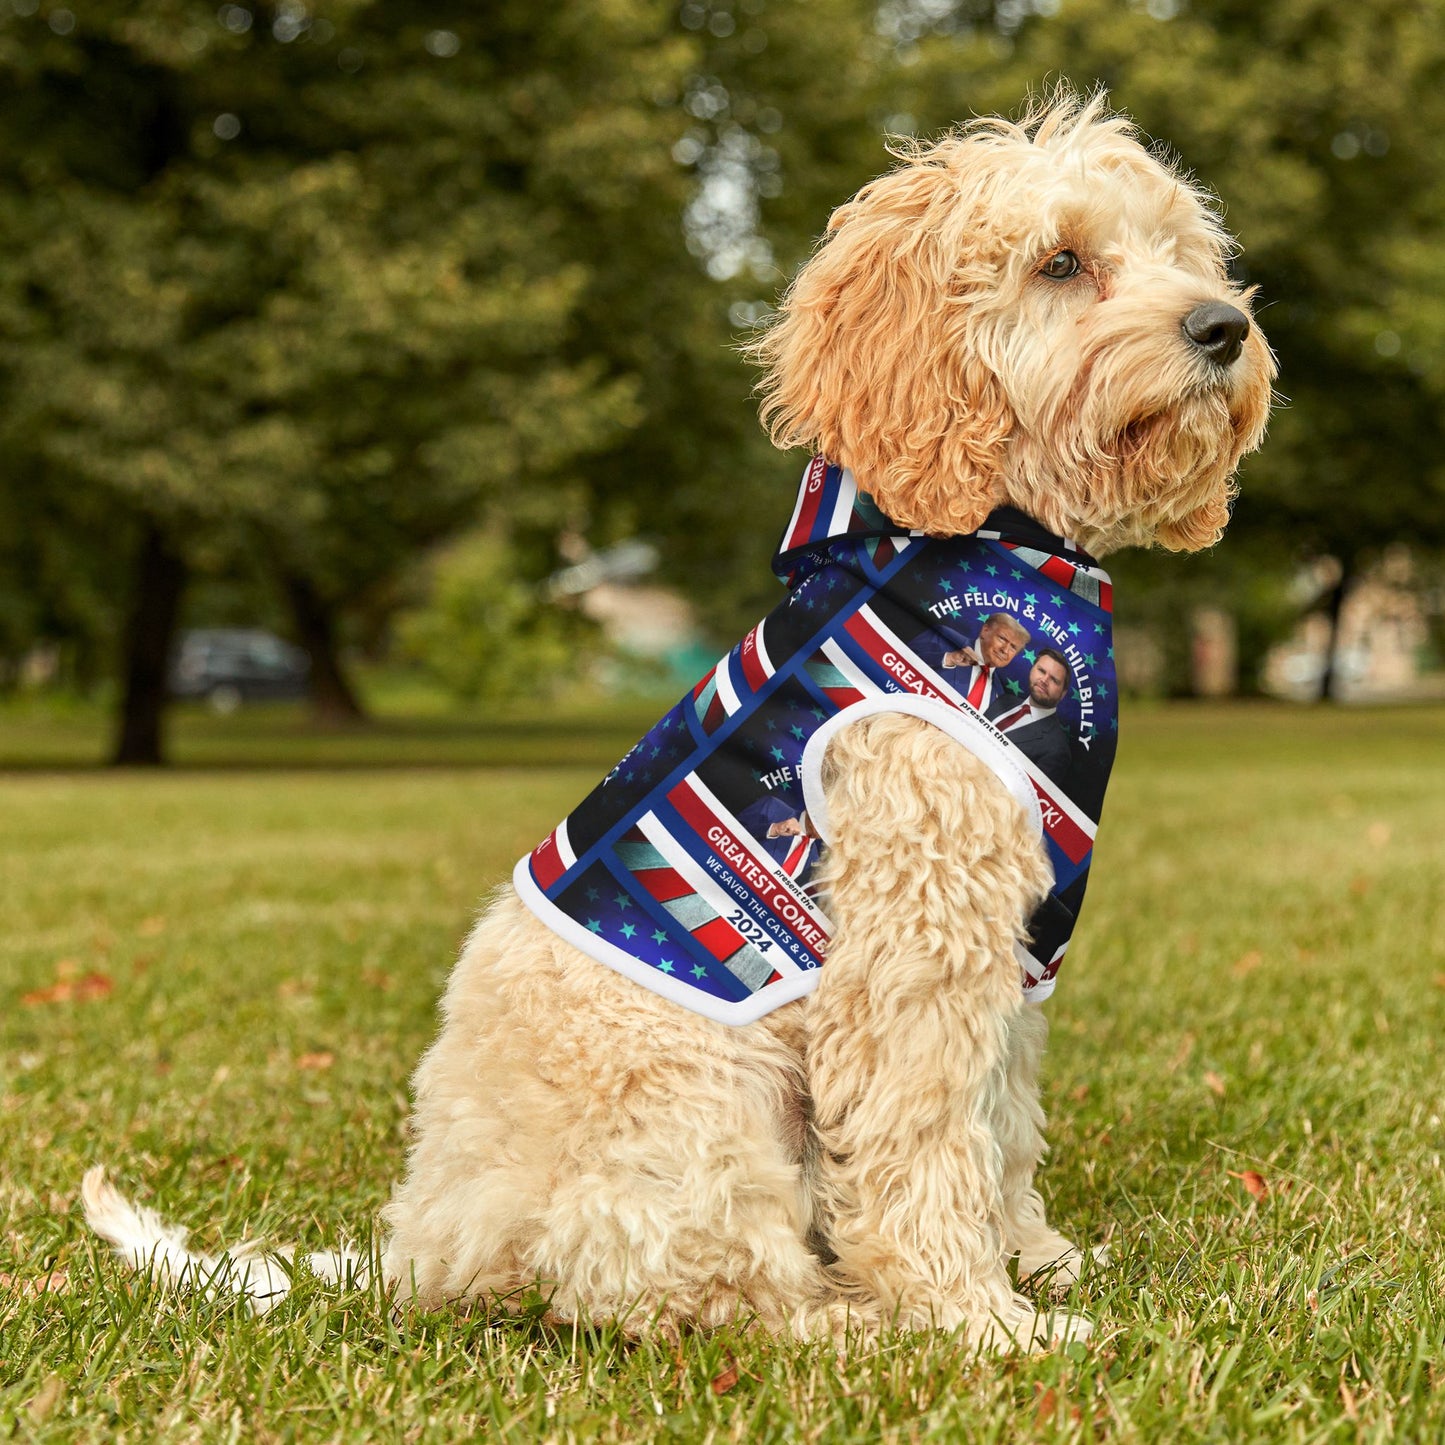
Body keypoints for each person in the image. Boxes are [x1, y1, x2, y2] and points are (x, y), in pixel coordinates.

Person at [910, 612, 1028, 712]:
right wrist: (948, 658)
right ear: (985, 631)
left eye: (1013, 647)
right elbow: (897, 659)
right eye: (1002, 639)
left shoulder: (999, 695)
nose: (1005, 650)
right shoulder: (943, 637)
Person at [988, 647, 1073, 785]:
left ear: (1063, 694)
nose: (1044, 680)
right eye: (1041, 671)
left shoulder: (1057, 750)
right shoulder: (1004, 701)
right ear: (1032, 670)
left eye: (1054, 680)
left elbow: (1025, 798)